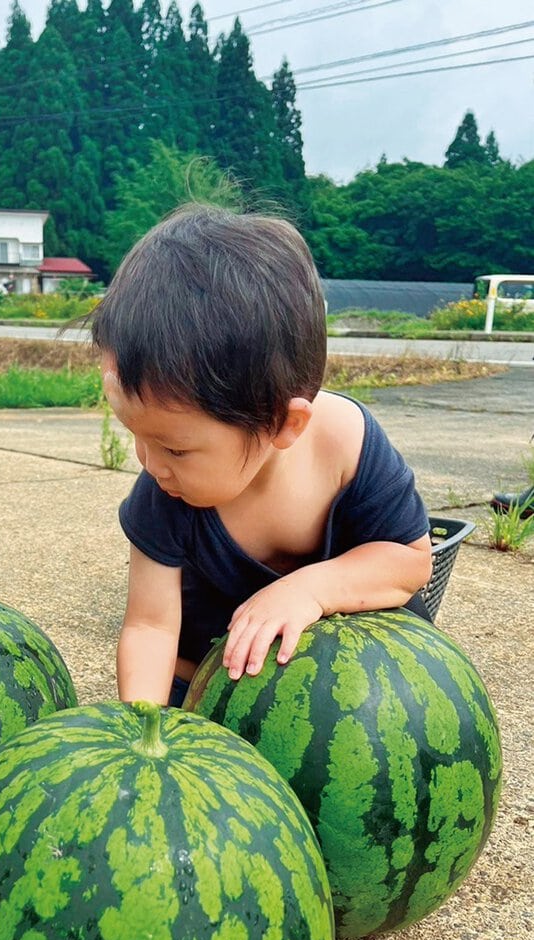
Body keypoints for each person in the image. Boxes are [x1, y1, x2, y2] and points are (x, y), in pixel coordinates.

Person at [89, 204, 434, 707]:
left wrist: (310, 590)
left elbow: (409, 561)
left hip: (352, 696)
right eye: (136, 435)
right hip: (209, 683)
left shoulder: (348, 445)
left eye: (175, 447)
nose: (150, 463)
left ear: (283, 423)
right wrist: (147, 727)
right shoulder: (163, 494)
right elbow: (149, 626)